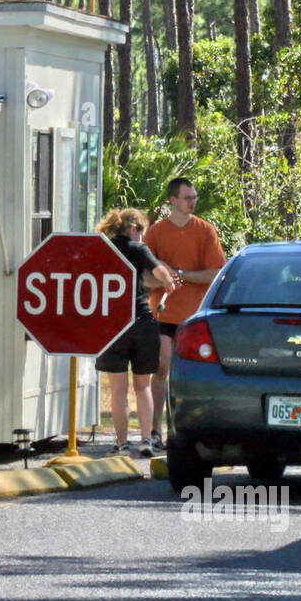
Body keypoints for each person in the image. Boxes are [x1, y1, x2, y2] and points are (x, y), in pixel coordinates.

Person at [142, 178, 227, 450]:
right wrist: (164, 278)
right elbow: (145, 276)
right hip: (163, 314)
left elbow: (216, 272)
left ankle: (190, 430)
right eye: (187, 197)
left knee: (194, 374)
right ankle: (154, 428)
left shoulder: (205, 231)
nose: (192, 202)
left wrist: (182, 275)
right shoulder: (155, 233)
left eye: (194, 197)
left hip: (196, 318)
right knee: (162, 366)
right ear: (173, 201)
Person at [94, 208, 179, 456]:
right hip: (141, 322)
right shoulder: (138, 249)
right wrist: (169, 283)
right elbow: (161, 272)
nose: (143, 238)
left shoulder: (104, 247)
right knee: (143, 387)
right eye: (143, 232)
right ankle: (145, 439)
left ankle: (120, 444)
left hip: (112, 326)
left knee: (118, 390)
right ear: (134, 229)